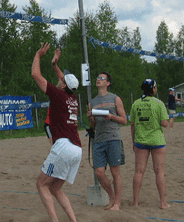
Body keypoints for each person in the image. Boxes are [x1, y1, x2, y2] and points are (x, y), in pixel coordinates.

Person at [31, 44, 81, 222]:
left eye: (62, 79)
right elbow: (63, 79)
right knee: (55, 188)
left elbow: (35, 75)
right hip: (77, 149)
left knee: (41, 184)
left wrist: (38, 55)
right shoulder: (73, 97)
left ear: (64, 85)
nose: (59, 79)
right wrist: (54, 65)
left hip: (63, 146)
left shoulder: (58, 95)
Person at [87, 72, 127, 211]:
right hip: (99, 139)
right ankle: (111, 197)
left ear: (108, 83)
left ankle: (117, 203)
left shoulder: (115, 99)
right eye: (97, 78)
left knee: (115, 171)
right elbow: (93, 125)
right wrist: (91, 118)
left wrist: (111, 117)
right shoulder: (92, 102)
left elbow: (124, 120)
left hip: (113, 138)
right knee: (99, 172)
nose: (98, 80)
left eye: (102, 78)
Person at [130, 79, 170, 210]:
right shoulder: (159, 103)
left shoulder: (136, 103)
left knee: (139, 171)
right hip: (157, 141)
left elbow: (132, 124)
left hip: (141, 141)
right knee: (159, 172)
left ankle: (135, 202)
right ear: (153, 89)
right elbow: (164, 123)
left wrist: (133, 141)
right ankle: (163, 203)